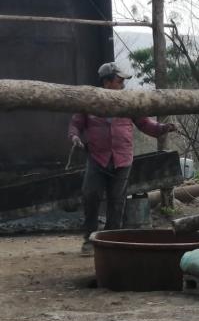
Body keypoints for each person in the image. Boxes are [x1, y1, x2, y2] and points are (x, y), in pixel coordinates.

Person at [69, 62, 177, 255]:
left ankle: (111, 240)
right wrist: (75, 137)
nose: (123, 85)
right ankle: (89, 239)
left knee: (117, 201)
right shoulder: (90, 101)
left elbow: (145, 124)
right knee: (91, 196)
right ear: (107, 82)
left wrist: (163, 128)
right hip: (97, 158)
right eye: (119, 81)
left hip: (122, 159)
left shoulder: (128, 102)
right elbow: (76, 124)